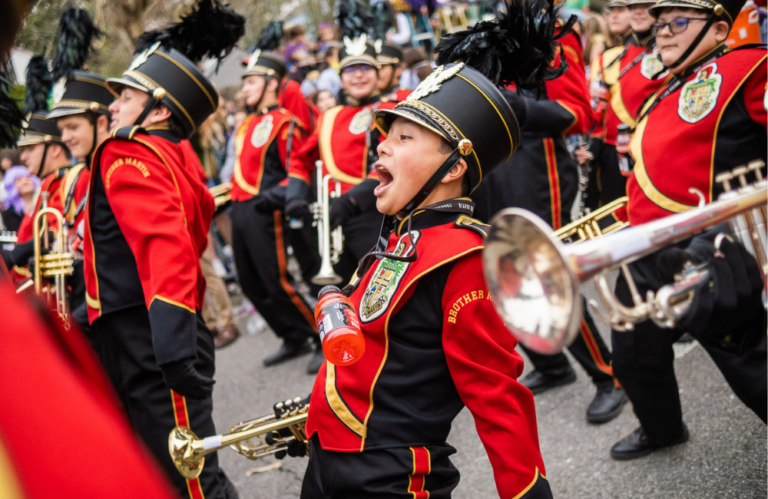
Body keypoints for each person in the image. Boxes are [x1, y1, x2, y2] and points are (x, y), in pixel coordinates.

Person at [295, 2, 566, 496]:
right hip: (328, 458)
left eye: (403, 136)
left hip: (389, 477)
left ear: (454, 167)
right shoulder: (399, 237)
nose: (381, 146)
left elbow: (496, 396)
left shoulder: (463, 258)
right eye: (385, 136)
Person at [82, 1, 244, 496]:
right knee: (182, 469)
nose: (112, 106)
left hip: (151, 335)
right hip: (158, 329)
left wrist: (171, 345)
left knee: (187, 476)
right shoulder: (174, 152)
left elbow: (164, 244)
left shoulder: (129, 150)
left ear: (159, 109)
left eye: (126, 96)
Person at [608, 0, 767, 459]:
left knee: (751, 370)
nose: (663, 33)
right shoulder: (664, 88)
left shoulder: (751, 67)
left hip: (710, 248)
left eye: (679, 22)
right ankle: (662, 429)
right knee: (633, 355)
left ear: (719, 30)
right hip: (644, 243)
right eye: (660, 24)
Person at [467, 13, 627, 423]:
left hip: (537, 166)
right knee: (505, 271)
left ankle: (610, 376)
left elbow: (578, 113)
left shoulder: (554, 34)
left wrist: (523, 108)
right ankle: (553, 365)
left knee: (545, 272)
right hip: (489, 168)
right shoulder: (483, 33)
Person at [230, 46, 320, 371]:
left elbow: (298, 170)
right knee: (250, 283)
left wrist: (276, 198)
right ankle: (292, 336)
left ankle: (321, 335)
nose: (245, 89)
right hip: (240, 210)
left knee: (277, 280)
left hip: (268, 210)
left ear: (271, 82)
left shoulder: (285, 122)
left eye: (251, 81)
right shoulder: (245, 125)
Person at [288, 26, 397, 287]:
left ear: (378, 73)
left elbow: (391, 161)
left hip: (373, 214)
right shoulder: (329, 116)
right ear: (340, 77)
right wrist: (294, 195)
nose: (358, 75)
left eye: (366, 68)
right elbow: (301, 159)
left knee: (377, 288)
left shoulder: (390, 109)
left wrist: (350, 200)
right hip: (332, 220)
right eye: (350, 69)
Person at [45, 8, 114, 328]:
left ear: (101, 122)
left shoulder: (118, 168)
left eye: (73, 126)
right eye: (62, 129)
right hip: (98, 303)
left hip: (124, 308)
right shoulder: (85, 172)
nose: (65, 138)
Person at [578, 0, 666, 211]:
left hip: (655, 156)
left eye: (646, 5)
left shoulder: (673, 55)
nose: (637, 10)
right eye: (632, 6)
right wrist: (586, 148)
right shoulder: (607, 59)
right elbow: (596, 116)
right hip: (610, 161)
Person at [1, 166, 39, 232]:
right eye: (19, 179)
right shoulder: (9, 212)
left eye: (28, 177)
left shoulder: (44, 202)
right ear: (11, 185)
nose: (25, 181)